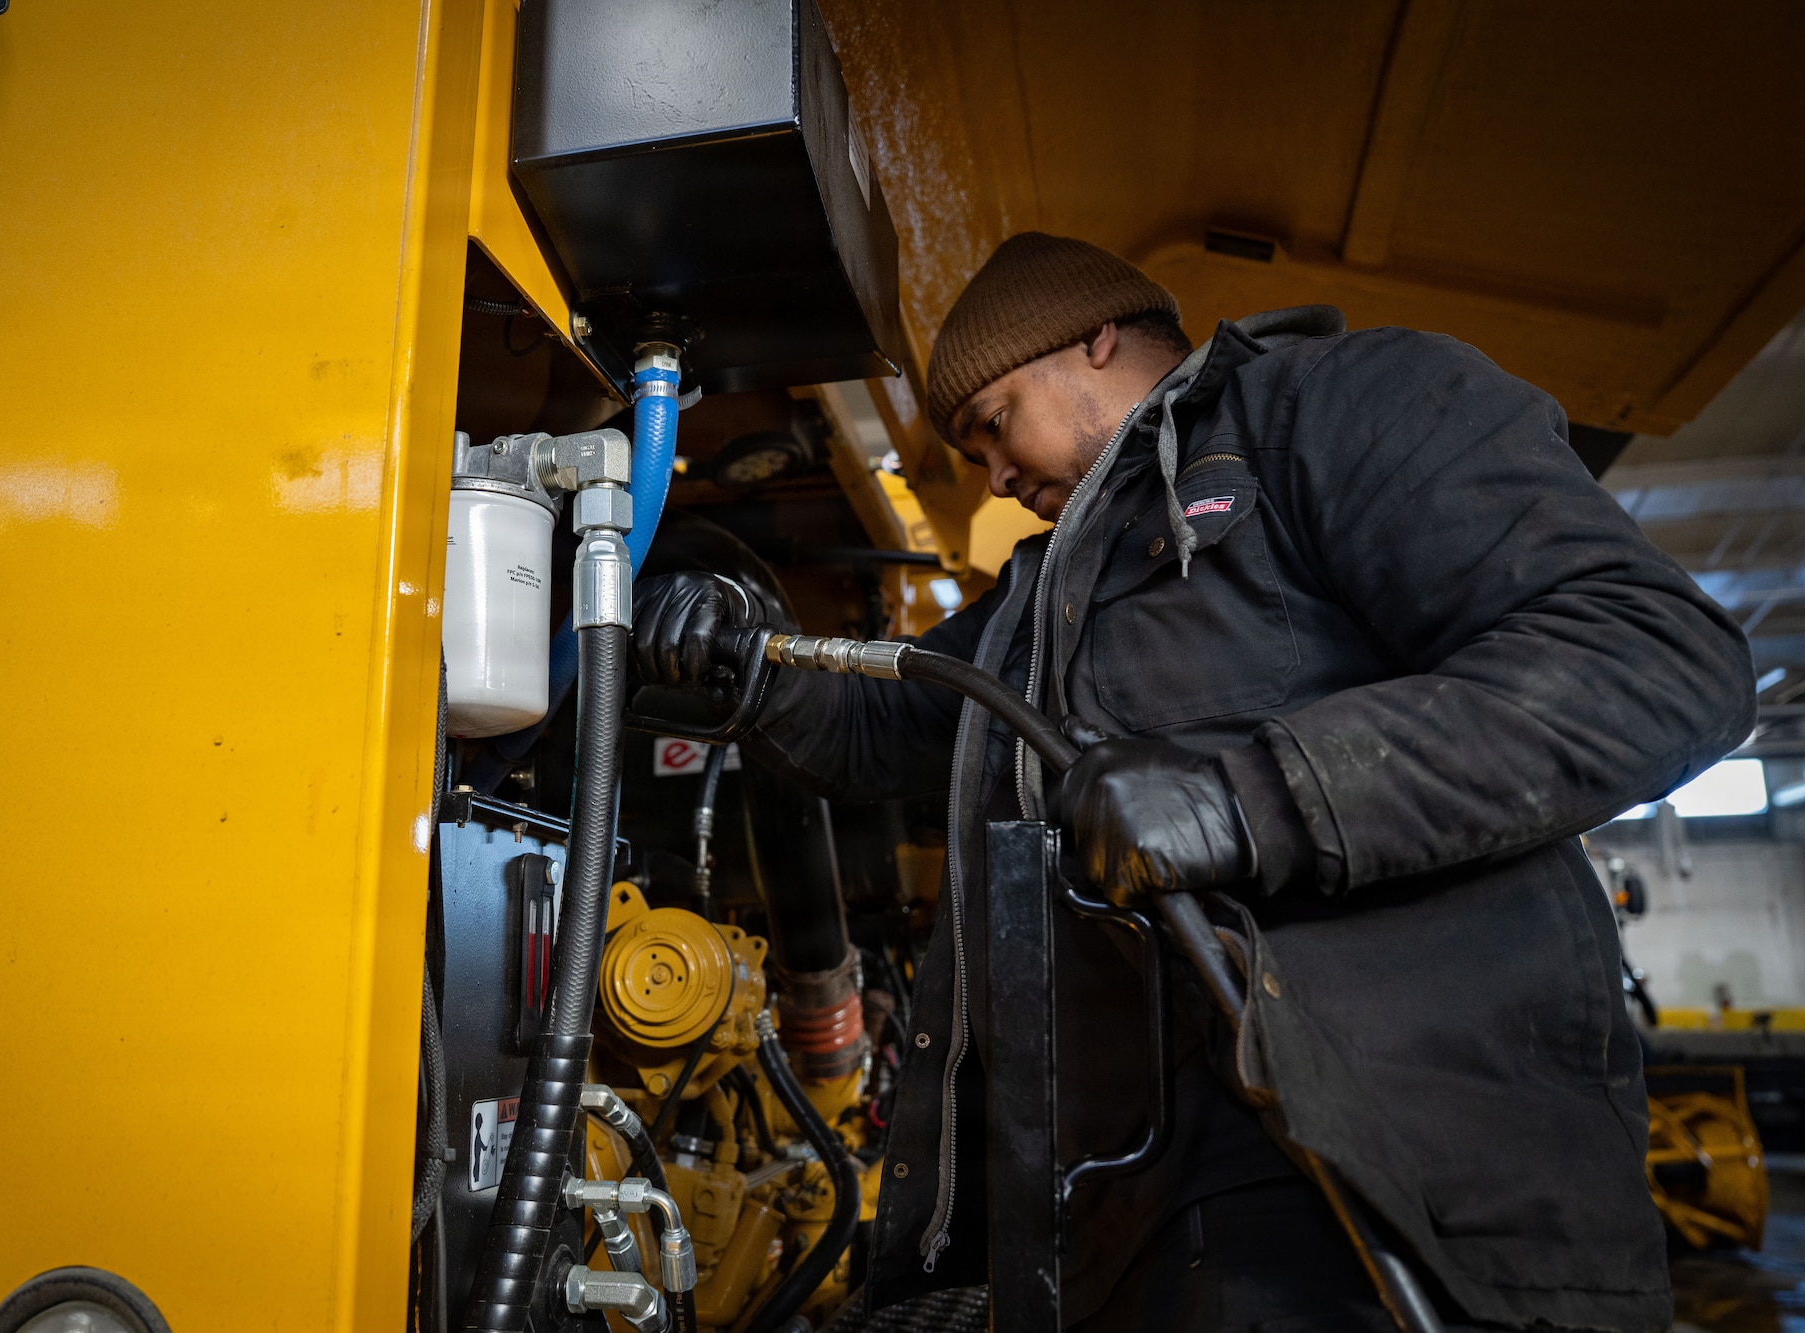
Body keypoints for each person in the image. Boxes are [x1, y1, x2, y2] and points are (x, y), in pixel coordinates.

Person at [631, 233, 1756, 1331]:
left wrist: (1244, 797)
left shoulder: (1337, 410)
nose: (994, 473)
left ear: (1094, 343)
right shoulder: (1047, 595)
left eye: (991, 426)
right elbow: (885, 724)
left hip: (1390, 1194)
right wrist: (748, 664)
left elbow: (1652, 659)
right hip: (1144, 1213)